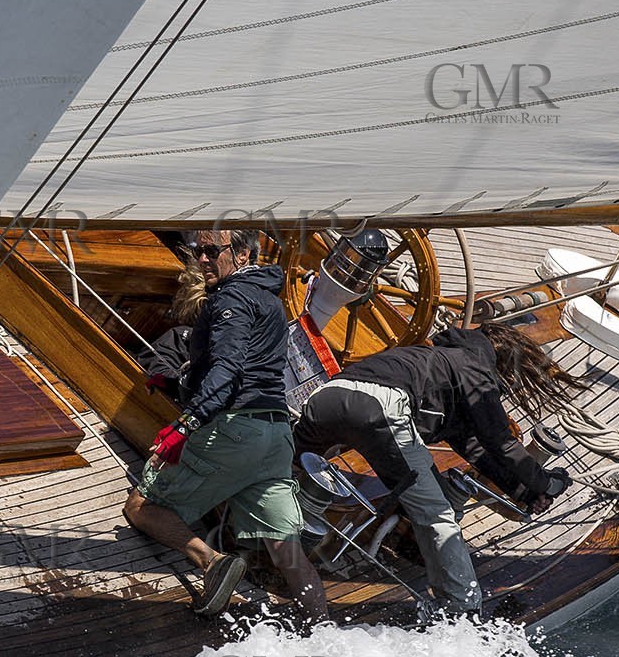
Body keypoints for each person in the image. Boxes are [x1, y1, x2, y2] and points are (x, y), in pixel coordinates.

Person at [294, 321, 578, 616]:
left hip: (324, 398)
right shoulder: (474, 366)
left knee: (289, 471)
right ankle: (463, 608)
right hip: (377, 407)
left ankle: (272, 541)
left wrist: (524, 492)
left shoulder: (442, 365)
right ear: (504, 363)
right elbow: (501, 441)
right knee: (436, 514)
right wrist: (546, 483)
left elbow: (476, 450)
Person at [123, 229, 328, 622]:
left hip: (234, 429)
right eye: (197, 250)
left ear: (243, 254)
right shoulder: (271, 299)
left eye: (211, 251)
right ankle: (324, 630)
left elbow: (229, 368)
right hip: (275, 435)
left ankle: (213, 562)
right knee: (287, 551)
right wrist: (177, 383)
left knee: (142, 507)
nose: (202, 259)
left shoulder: (231, 297)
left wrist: (185, 425)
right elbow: (251, 366)